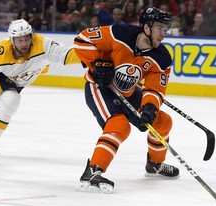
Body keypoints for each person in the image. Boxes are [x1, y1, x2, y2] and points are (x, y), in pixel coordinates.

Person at [73, 7, 180, 193]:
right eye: (160, 28)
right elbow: (82, 40)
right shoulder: (120, 33)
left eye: (166, 29)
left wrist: (149, 109)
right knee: (120, 125)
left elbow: (155, 88)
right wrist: (97, 63)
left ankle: (154, 164)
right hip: (100, 88)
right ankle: (93, 171)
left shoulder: (161, 58)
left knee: (162, 121)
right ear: (147, 27)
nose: (164, 34)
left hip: (129, 92)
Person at [0, 19, 80, 166]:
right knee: (10, 99)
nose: (24, 43)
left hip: (16, 83)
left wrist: (92, 53)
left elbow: (66, 54)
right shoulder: (0, 52)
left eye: (26, 38)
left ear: (32, 37)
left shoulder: (42, 44)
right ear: (12, 40)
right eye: (19, 40)